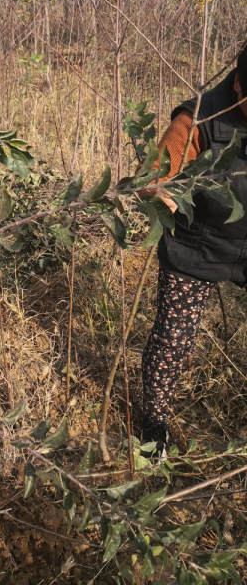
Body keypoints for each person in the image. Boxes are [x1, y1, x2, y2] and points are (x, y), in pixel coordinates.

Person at [141, 41, 247, 456]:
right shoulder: (200, 118)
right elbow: (157, 170)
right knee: (173, 340)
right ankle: (153, 428)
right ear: (239, 86)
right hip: (197, 244)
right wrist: (157, 187)